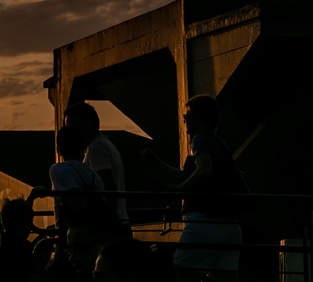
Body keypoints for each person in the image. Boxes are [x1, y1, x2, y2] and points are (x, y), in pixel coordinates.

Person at [140, 94, 244, 282]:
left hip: (204, 223)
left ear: (197, 119)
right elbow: (190, 175)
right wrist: (157, 163)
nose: (185, 121)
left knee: (180, 271)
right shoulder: (219, 143)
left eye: (186, 117)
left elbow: (203, 170)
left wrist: (178, 190)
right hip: (230, 227)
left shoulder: (200, 140)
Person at [48, 125, 119, 282]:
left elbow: (75, 201)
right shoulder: (93, 175)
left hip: (74, 238)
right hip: (95, 236)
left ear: (59, 149)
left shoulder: (58, 170)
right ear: (83, 148)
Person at [64, 102, 129, 236]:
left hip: (109, 227)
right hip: (116, 223)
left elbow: (108, 189)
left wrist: (104, 225)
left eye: (73, 126)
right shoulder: (102, 145)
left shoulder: (96, 149)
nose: (70, 132)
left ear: (89, 123)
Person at [0, 197, 36, 281]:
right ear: (23, 224)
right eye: (30, 222)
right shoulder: (23, 247)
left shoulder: (6, 245)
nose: (31, 227)